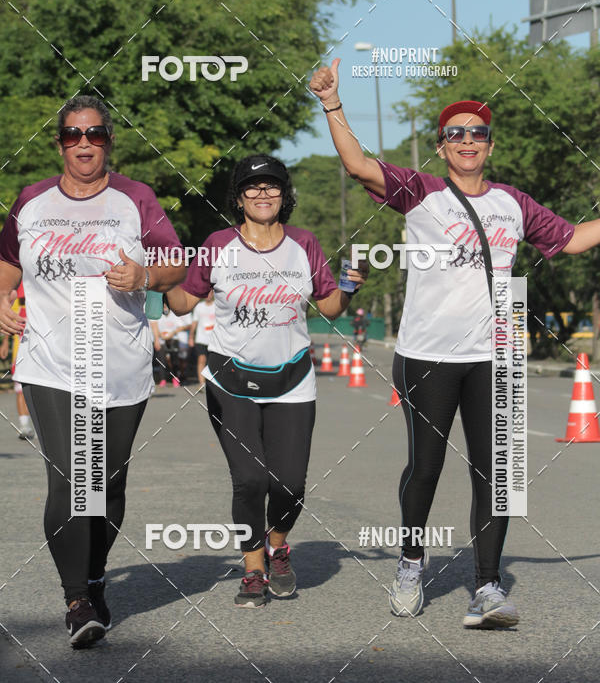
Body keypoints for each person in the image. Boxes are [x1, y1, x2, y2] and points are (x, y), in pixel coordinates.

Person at [310, 58, 599, 628]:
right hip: (428, 355)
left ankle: (488, 586)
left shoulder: (514, 204)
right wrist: (331, 103)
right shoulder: (421, 192)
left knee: (497, 472)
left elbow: (574, 241)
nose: (468, 140)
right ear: (442, 147)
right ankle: (411, 565)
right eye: (456, 133)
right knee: (426, 466)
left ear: (490, 146)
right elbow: (358, 165)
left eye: (478, 133)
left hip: (496, 356)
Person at [0, 95, 185, 647]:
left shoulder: (136, 199)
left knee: (107, 483)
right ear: (59, 142)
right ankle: (77, 599)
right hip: (51, 362)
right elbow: (6, 270)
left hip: (121, 362)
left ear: (109, 140)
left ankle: (97, 574)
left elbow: (177, 264)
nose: (84, 143)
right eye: (73, 134)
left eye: (96, 134)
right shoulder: (31, 201)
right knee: (71, 478)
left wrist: (143, 276)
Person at [167, 154, 366, 607]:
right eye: (252, 187)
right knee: (250, 480)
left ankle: (279, 545)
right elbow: (182, 302)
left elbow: (329, 307)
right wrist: (151, 277)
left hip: (293, 380)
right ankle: (253, 569)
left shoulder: (304, 244)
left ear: (284, 195)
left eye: (272, 186)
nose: (262, 194)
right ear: (238, 198)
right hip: (230, 380)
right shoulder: (217, 244)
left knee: (290, 484)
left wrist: (352, 288)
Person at [0, 284, 35, 439]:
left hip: (44, 350)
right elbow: (9, 314)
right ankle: (25, 427)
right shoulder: (18, 288)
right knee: (20, 388)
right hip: (20, 349)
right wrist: (6, 342)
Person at [190, 292, 215, 386]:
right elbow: (194, 323)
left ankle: (212, 382)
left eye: (210, 293)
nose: (208, 296)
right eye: (207, 294)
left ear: (213, 294)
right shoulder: (199, 306)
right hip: (201, 338)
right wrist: (191, 337)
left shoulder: (217, 306)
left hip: (214, 339)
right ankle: (202, 383)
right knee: (201, 359)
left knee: (212, 362)